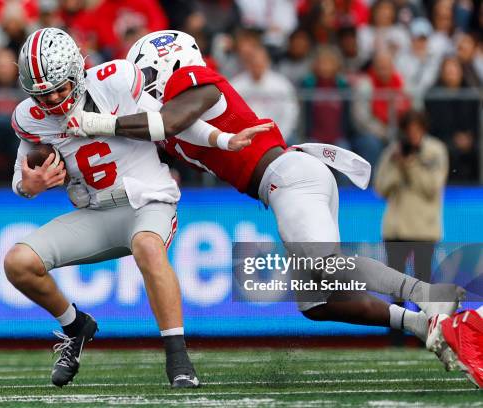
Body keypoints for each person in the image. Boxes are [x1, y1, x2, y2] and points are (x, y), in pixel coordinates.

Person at [67, 30, 466, 371]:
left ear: (164, 62)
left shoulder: (191, 79)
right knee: (315, 302)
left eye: (146, 74)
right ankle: (414, 324)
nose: (142, 86)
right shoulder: (169, 110)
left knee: (324, 263)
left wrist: (94, 122)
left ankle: (428, 295)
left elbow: (165, 123)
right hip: (288, 180)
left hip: (287, 176)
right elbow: (145, 145)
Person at [4, 27, 265, 388]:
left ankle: (178, 359)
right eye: (43, 95)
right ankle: (76, 326)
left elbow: (168, 124)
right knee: (18, 263)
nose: (53, 103)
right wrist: (28, 186)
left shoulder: (115, 81)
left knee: (146, 245)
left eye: (60, 90)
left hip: (148, 201)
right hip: (95, 213)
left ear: (78, 72)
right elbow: (20, 177)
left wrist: (221, 138)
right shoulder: (30, 118)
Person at [374, 110, 448, 343]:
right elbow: (380, 187)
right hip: (395, 229)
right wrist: (398, 165)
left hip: (424, 228)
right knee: (395, 286)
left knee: (422, 284)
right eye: (409, 129)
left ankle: (423, 334)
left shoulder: (435, 151)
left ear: (423, 129)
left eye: (417, 129)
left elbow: (432, 187)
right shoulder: (393, 152)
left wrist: (412, 165)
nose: (413, 134)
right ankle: (395, 335)